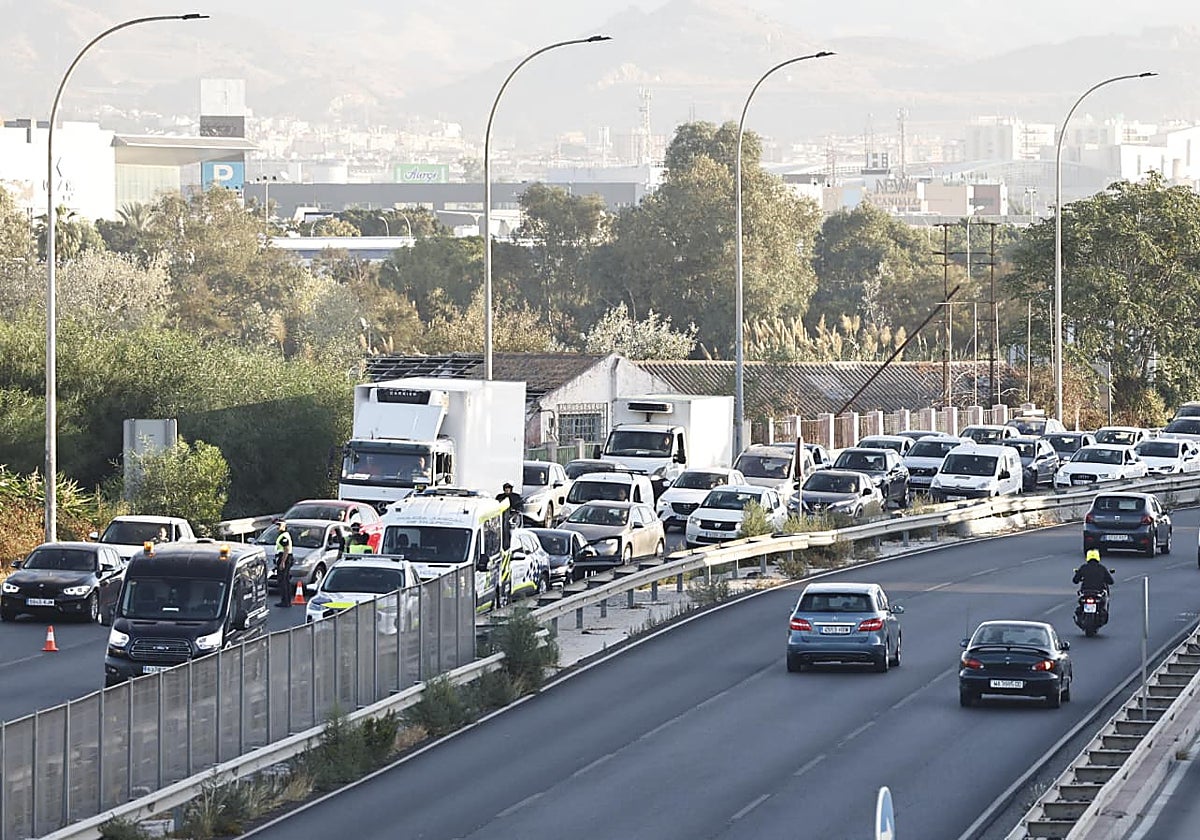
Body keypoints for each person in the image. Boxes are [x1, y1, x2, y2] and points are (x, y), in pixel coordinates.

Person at [274, 522, 294, 607]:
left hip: (284, 558)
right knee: (285, 580)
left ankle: (285, 601)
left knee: (283, 581)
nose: (277, 527)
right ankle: (286, 601)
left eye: (279, 525)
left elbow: (286, 549)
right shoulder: (283, 535)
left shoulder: (284, 536)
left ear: (284, 526)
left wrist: (282, 562)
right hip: (283, 557)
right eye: (277, 525)